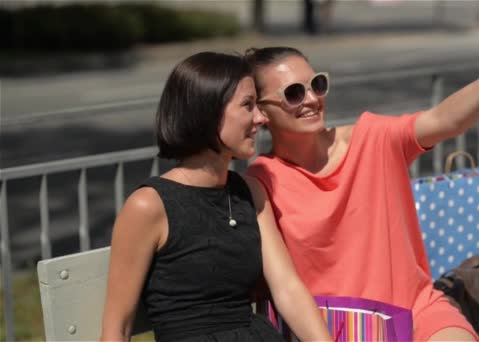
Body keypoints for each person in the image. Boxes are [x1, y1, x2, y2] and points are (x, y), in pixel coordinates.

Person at [245, 20, 479, 341]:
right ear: (261, 112)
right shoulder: (262, 180)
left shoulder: (372, 137)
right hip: (333, 328)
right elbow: (284, 288)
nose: (311, 98)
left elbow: (443, 120)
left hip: (415, 310)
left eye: (317, 84)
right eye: (294, 93)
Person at [100, 52, 332, 342]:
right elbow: (116, 329)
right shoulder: (149, 205)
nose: (261, 118)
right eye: (248, 106)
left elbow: (287, 288)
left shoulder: (250, 191)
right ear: (208, 113)